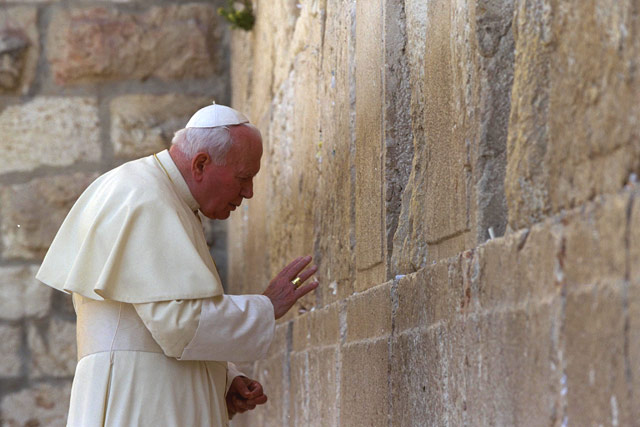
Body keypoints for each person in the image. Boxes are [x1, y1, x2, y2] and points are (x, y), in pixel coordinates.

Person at [36, 103, 319, 426]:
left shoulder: (159, 193)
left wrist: (225, 379)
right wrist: (266, 306)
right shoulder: (145, 197)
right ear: (200, 163)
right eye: (243, 178)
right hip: (137, 400)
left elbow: (151, 324)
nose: (249, 192)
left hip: (145, 392)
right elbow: (178, 325)